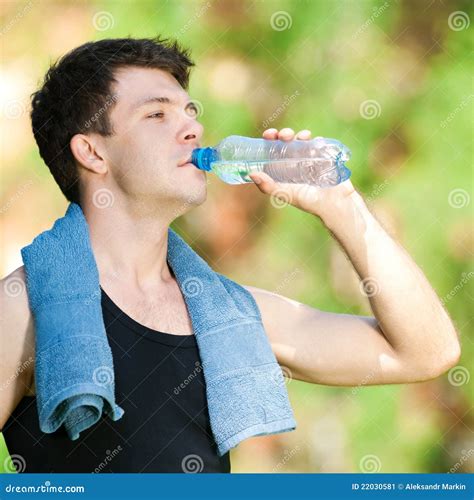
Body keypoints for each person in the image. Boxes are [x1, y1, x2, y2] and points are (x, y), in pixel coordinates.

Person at [0, 37, 461, 473]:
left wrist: (342, 206)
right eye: (157, 115)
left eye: (190, 110)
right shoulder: (24, 307)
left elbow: (425, 353)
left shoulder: (232, 314)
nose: (193, 128)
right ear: (92, 152)